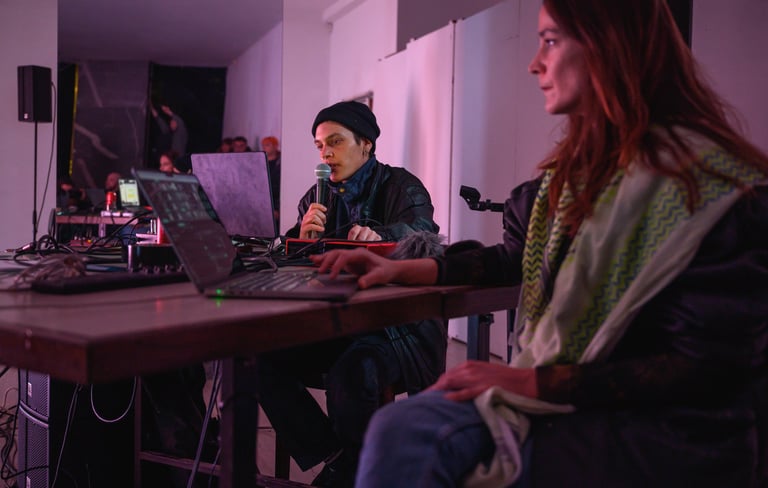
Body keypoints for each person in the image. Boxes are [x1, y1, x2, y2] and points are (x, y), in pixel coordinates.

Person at [313, 1, 768, 487]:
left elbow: (706, 367)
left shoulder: (717, 194)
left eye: (550, 41)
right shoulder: (572, 180)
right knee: (401, 428)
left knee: (407, 434)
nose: (535, 63)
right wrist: (399, 268)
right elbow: (515, 259)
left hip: (663, 427)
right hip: (577, 394)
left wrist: (530, 380)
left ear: (610, 48)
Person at [256, 101, 445, 487]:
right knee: (256, 356)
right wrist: (299, 242)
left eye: (336, 142)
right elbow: (289, 263)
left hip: (397, 329)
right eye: (319, 145)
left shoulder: (402, 186)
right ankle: (339, 461)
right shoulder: (316, 197)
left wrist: (382, 237)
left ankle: (359, 472)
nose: (325, 153)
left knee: (353, 372)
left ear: (366, 144)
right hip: (336, 323)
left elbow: (424, 236)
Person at [261, 135, 281, 228]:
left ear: (275, 146)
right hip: (262, 205)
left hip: (275, 205)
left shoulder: (281, 163)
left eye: (268, 145)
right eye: (263, 145)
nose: (264, 147)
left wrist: (277, 208)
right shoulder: (260, 162)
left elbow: (280, 188)